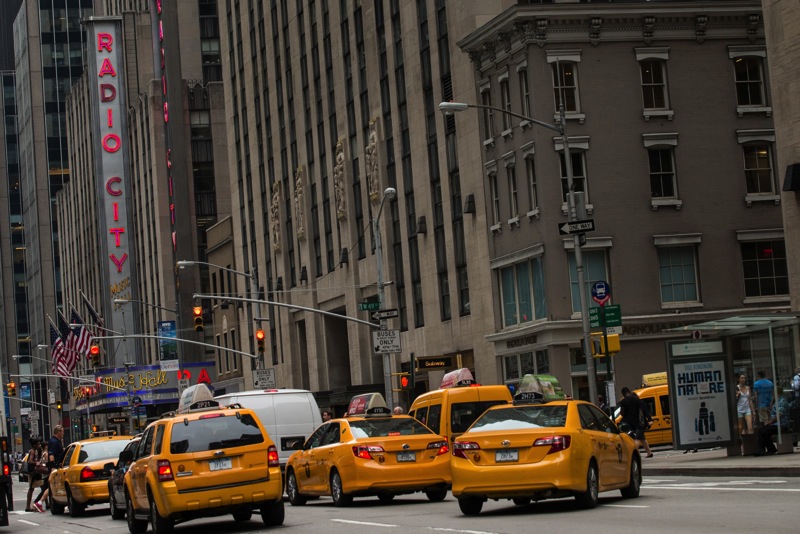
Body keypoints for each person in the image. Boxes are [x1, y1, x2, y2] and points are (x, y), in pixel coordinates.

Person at [754, 386, 791, 456]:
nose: (772, 393)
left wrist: (770, 422)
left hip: (781, 424)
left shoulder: (782, 401)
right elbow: (771, 408)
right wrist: (772, 400)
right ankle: (765, 449)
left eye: (773, 392)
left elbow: (779, 414)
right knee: (761, 430)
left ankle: (765, 449)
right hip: (776, 423)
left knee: (764, 431)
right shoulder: (777, 400)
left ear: (776, 392)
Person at [618, 387, 653, 458]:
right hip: (640, 422)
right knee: (641, 438)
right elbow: (644, 410)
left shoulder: (623, 401)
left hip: (629, 423)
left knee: (636, 438)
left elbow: (622, 413)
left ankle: (632, 455)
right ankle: (649, 452)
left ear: (623, 394)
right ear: (629, 391)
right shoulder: (638, 400)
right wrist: (649, 420)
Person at [25, 439, 43, 512]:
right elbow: (30, 461)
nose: (39, 445)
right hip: (33, 473)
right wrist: (37, 462)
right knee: (32, 488)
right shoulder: (32, 451)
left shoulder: (35, 451)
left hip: (35, 472)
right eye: (38, 444)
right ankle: (28, 506)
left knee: (43, 487)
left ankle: (46, 503)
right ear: (34, 445)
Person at [31, 444, 48, 512]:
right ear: (46, 447)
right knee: (46, 490)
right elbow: (48, 463)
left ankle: (38, 503)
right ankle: (36, 503)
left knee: (44, 489)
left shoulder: (42, 454)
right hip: (47, 474)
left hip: (44, 474)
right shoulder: (46, 454)